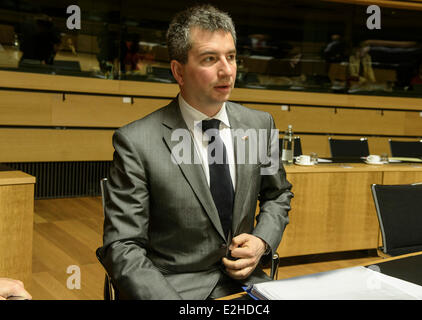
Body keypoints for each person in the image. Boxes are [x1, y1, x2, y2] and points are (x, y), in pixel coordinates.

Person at [96, 5, 293, 300]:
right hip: (172, 287)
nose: (227, 70)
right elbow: (122, 246)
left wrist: (262, 240)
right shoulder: (136, 142)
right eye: (210, 59)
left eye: (231, 56)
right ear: (179, 71)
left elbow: (278, 195)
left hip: (245, 282)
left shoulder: (259, 125)